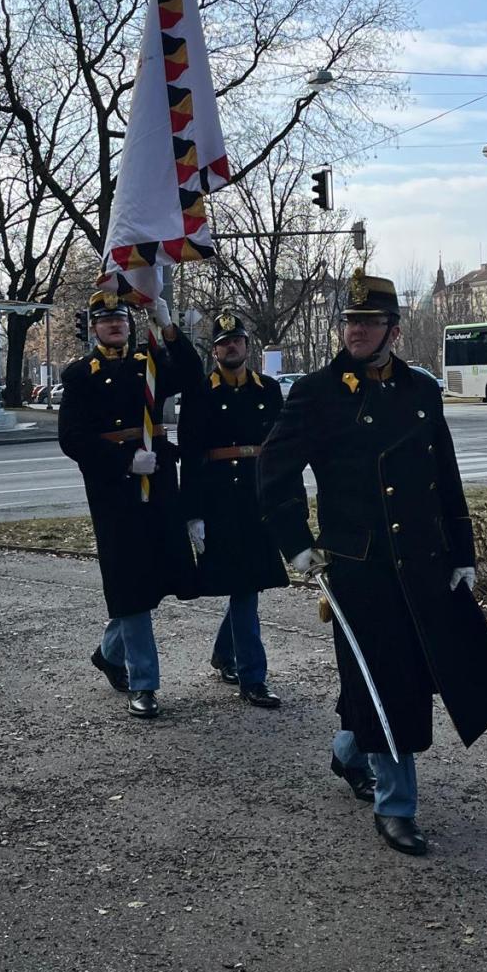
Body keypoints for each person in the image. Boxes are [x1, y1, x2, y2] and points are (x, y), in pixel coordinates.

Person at [258, 269, 487, 857]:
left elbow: (444, 475)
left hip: (423, 558)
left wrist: (462, 551)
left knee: (415, 676)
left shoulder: (421, 390)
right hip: (359, 564)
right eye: (349, 321)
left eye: (369, 321)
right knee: (385, 680)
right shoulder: (317, 392)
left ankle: (350, 750)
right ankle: (397, 805)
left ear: (393, 331)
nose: (356, 330)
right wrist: (296, 542)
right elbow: (274, 471)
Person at [58, 289, 202, 720]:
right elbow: (72, 439)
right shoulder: (80, 375)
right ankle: (144, 682)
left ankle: (109, 652)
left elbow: (192, 375)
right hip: (115, 490)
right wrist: (123, 460)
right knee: (130, 581)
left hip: (158, 480)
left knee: (156, 574)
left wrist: (168, 325)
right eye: (105, 320)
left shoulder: (149, 363)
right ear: (94, 329)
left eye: (120, 318)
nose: (114, 324)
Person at [179, 310, 288, 709]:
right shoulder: (200, 393)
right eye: (224, 343)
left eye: (237, 341)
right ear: (215, 351)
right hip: (220, 500)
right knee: (244, 586)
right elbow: (190, 456)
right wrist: (193, 514)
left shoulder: (268, 390)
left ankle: (227, 654)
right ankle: (252, 676)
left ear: (247, 345)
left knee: (248, 585)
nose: (231, 347)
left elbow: (279, 449)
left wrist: (283, 499)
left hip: (256, 498)